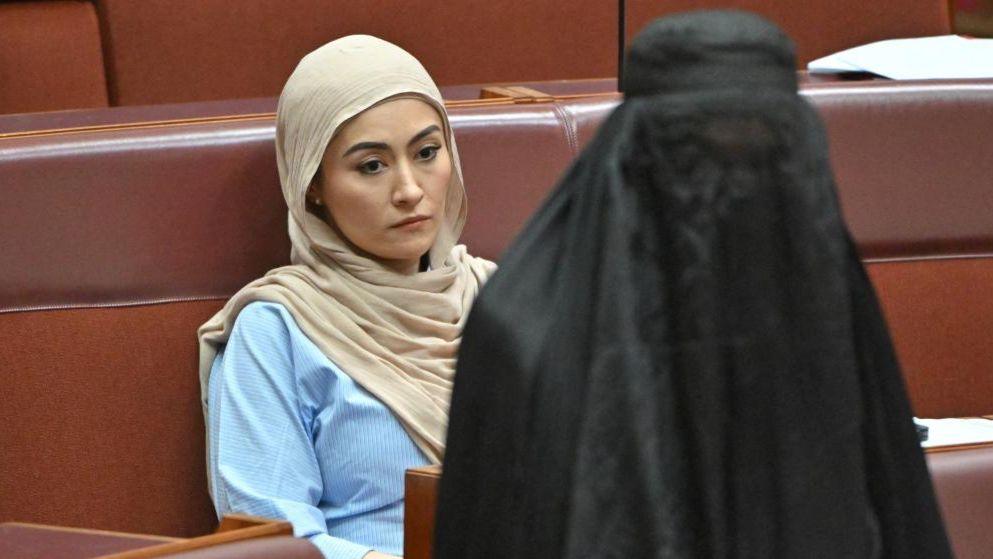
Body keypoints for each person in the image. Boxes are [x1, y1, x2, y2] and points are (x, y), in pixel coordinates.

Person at [435, 10, 953, 559]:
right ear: (628, 151)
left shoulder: (827, 308)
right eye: (694, 155)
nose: (724, 197)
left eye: (759, 158)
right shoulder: (519, 334)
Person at [197, 35, 494, 559]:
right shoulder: (276, 332)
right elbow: (271, 544)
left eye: (427, 153)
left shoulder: (499, 298)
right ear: (313, 183)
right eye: (371, 166)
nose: (408, 189)